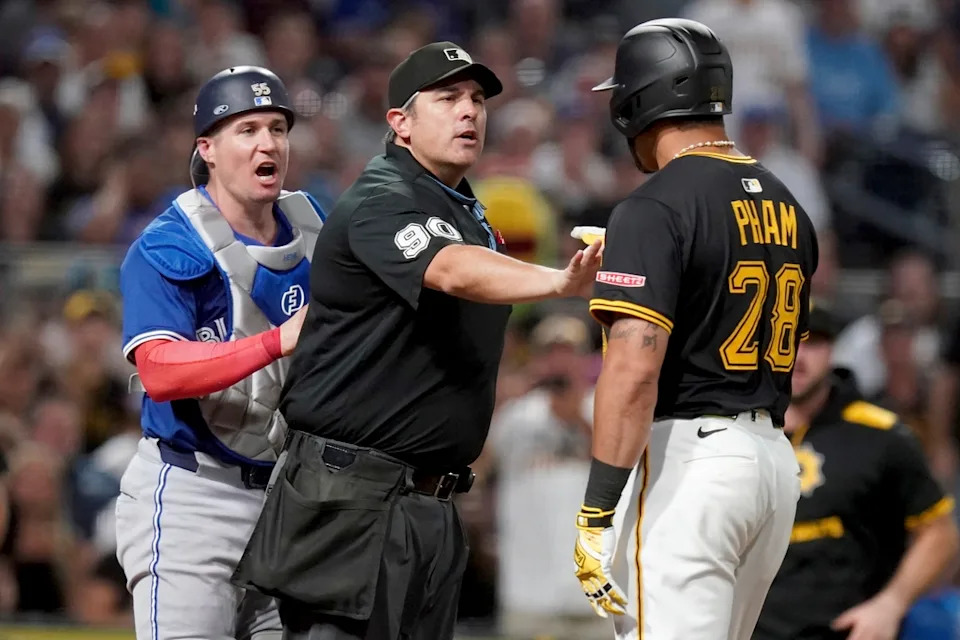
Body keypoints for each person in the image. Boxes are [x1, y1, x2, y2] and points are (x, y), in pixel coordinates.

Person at [231, 41, 602, 640]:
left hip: (424, 503)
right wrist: (560, 280)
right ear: (400, 123)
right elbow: (449, 269)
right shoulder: (382, 198)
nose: (470, 111)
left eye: (478, 99)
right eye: (448, 97)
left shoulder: (466, 211)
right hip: (350, 502)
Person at [570, 18, 819, 640]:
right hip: (771, 464)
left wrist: (598, 508)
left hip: (694, 463)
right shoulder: (790, 202)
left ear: (638, 101)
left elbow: (633, 368)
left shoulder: (654, 205)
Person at [114, 66, 326, 640]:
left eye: (278, 128)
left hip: (289, 503)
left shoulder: (315, 229)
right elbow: (158, 371)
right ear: (206, 147)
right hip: (193, 497)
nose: (269, 143)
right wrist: (277, 340)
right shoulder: (169, 243)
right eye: (247, 129)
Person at [755, 302, 959, 640]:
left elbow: (940, 533)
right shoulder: (735, 430)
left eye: (814, 342)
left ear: (834, 350)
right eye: (788, 338)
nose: (799, 355)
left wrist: (891, 604)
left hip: (845, 630)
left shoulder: (880, 433)